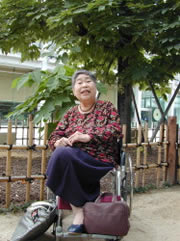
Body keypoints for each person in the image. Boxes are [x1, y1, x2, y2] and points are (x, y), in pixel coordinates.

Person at [46, 69, 122, 234]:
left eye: (88, 81)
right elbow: (55, 134)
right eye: (79, 83)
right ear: (74, 92)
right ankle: (79, 211)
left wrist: (89, 136)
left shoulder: (107, 107)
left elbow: (115, 130)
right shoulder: (70, 113)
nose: (84, 85)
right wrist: (58, 141)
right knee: (61, 152)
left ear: (95, 87)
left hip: (100, 159)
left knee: (62, 156)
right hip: (72, 159)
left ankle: (80, 211)